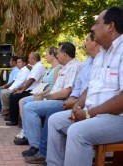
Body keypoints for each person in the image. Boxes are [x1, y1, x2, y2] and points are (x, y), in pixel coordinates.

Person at [46, 7, 123, 166]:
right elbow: (91, 87)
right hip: (94, 114)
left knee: (77, 132)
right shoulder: (102, 54)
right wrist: (78, 104)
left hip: (117, 119)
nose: (92, 28)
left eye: (96, 23)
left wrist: (88, 114)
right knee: (55, 120)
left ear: (110, 26)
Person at [23, 34, 99, 164]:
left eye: (58, 53)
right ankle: (42, 151)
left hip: (69, 102)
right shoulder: (82, 63)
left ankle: (39, 148)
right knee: (28, 103)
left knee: (33, 108)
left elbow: (67, 92)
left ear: (65, 55)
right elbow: (78, 88)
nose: (56, 55)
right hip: (75, 102)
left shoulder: (75, 66)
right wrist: (45, 96)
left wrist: (47, 97)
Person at [7, 47, 61, 126]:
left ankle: (26, 126)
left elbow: (55, 87)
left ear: (52, 55)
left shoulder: (57, 68)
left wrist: (41, 95)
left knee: (21, 100)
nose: (45, 57)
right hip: (40, 92)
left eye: (46, 55)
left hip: (47, 94)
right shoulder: (49, 68)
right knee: (20, 99)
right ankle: (25, 127)